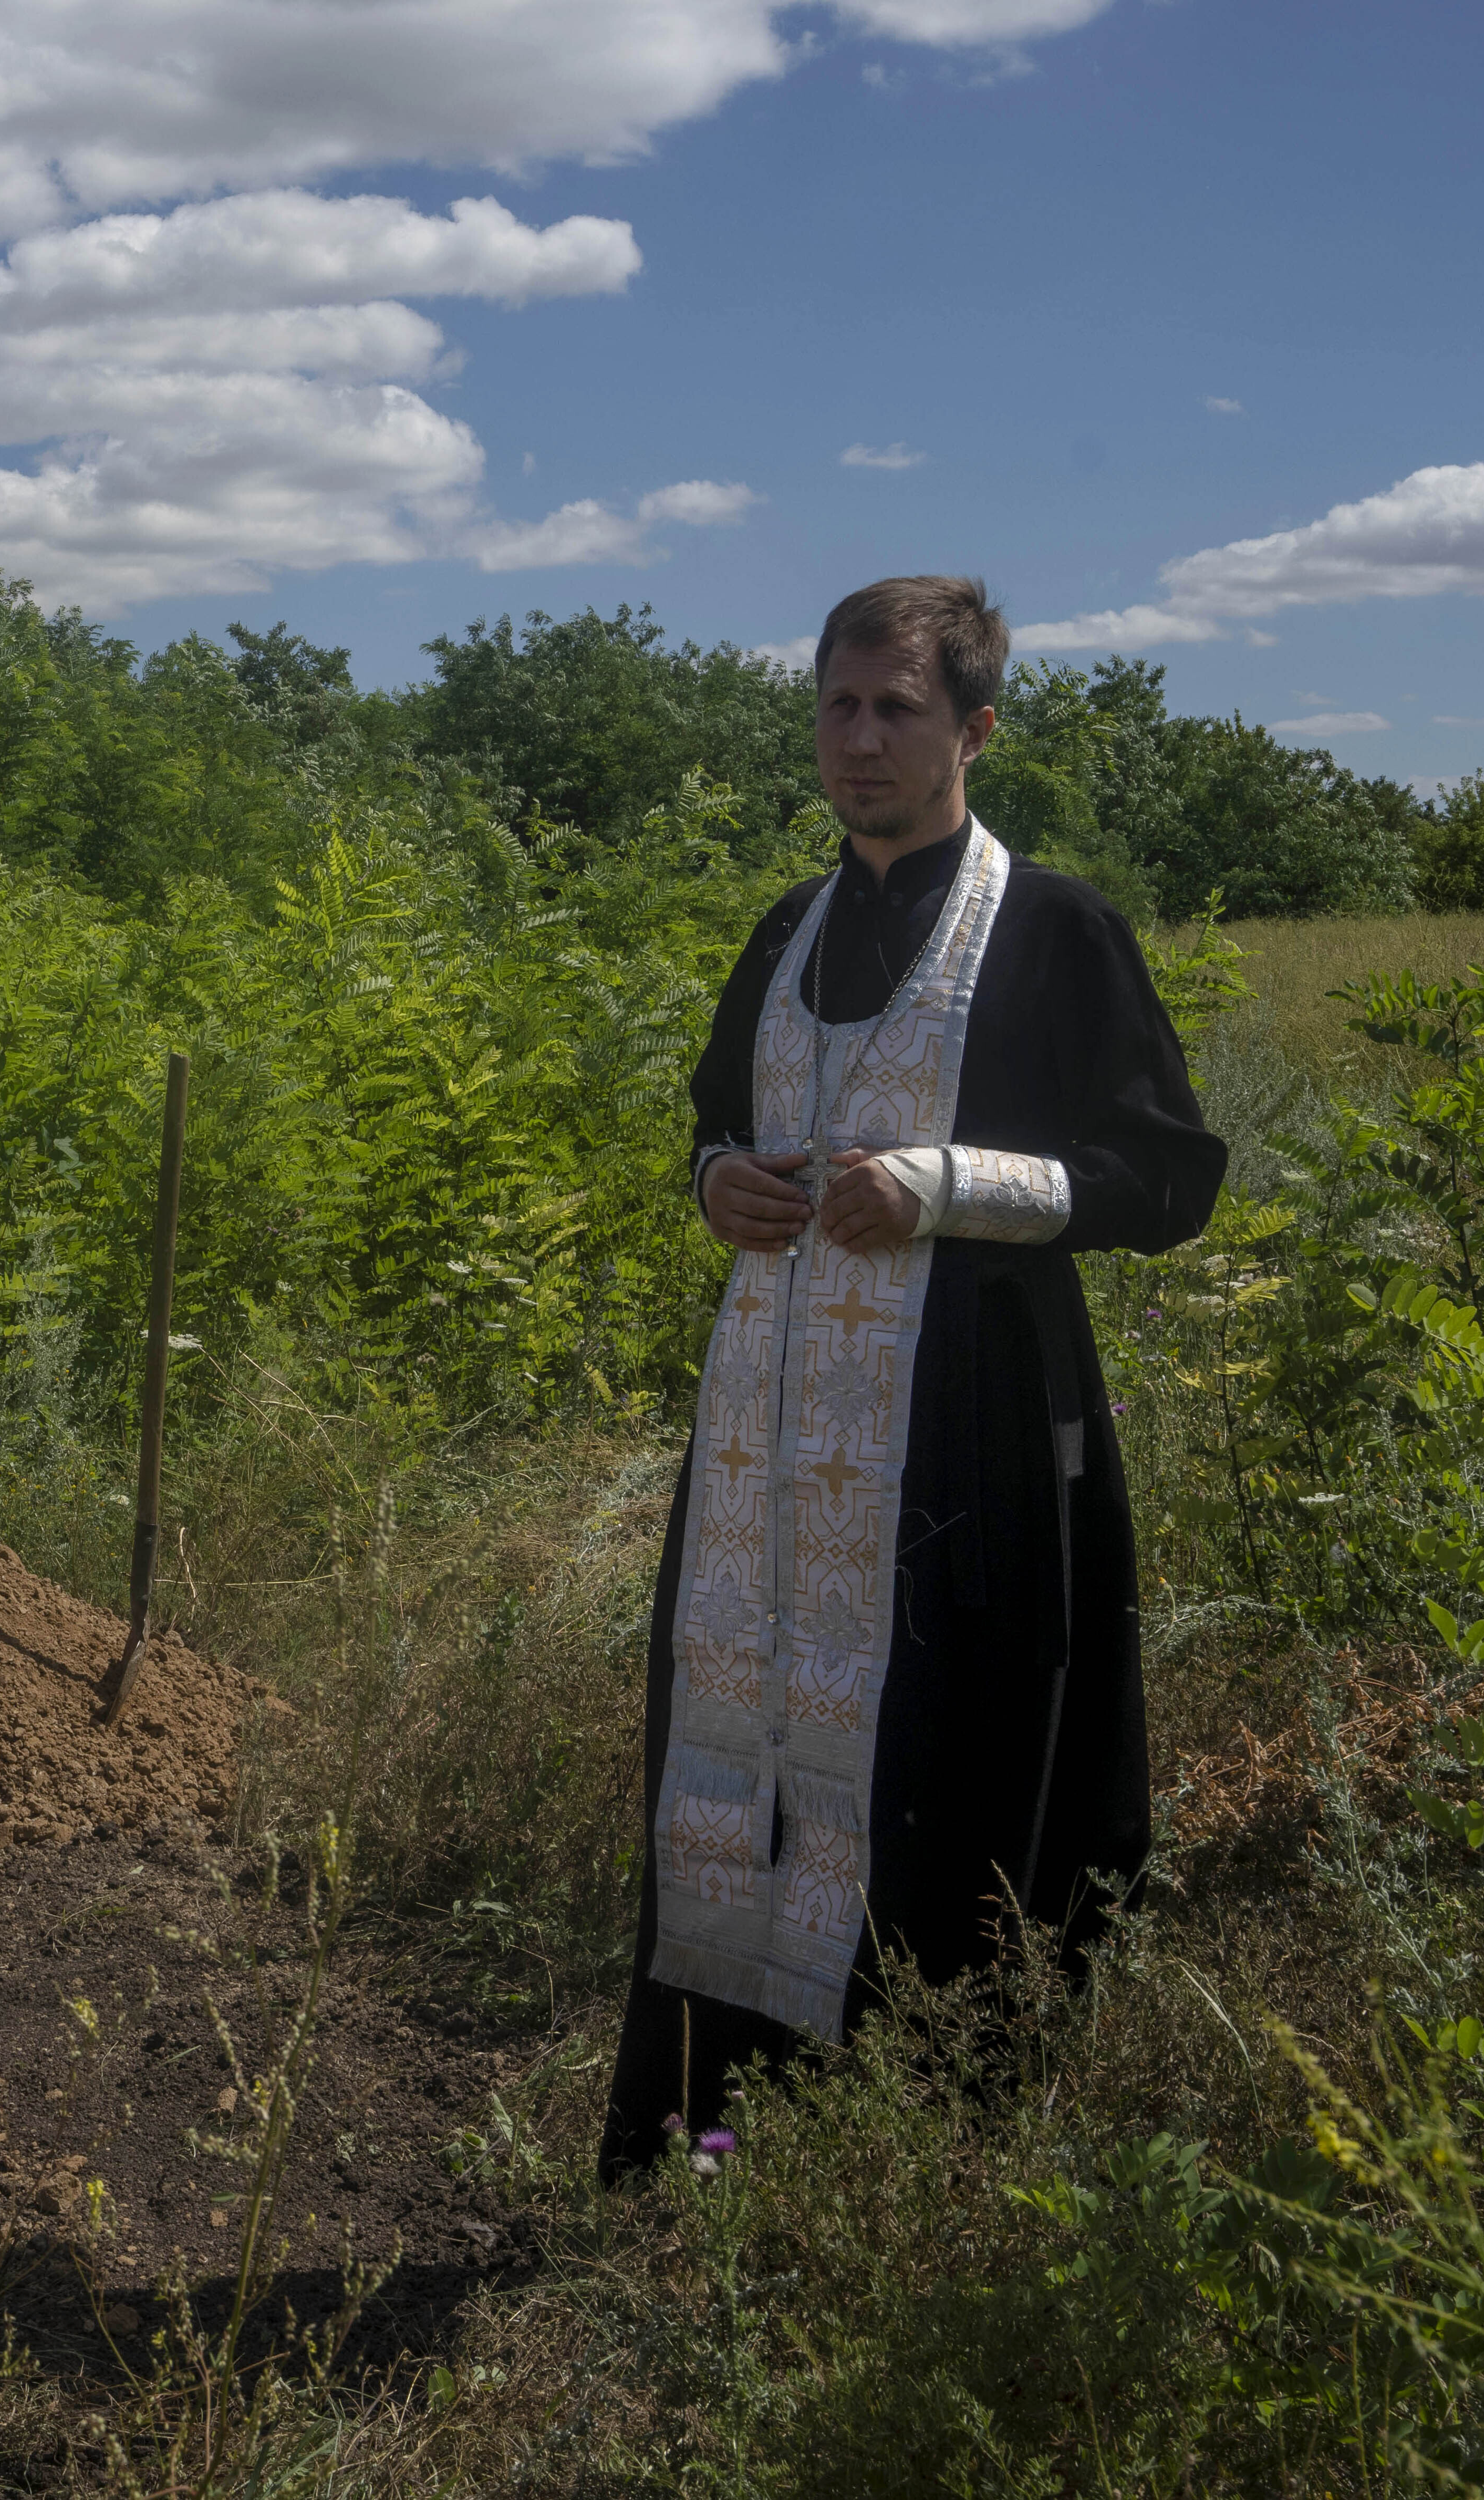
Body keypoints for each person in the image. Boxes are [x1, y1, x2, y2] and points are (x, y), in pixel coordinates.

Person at [598, 576, 1225, 2178]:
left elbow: (1167, 1179)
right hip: (768, 1435)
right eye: (836, 704)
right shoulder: (784, 926)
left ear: (974, 729)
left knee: (944, 1759)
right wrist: (713, 1182)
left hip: (969, 1433)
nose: (860, 738)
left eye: (897, 708)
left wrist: (947, 1185)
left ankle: (925, 2150)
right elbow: (711, 1123)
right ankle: (716, 2137)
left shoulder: (1057, 928)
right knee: (737, 1764)